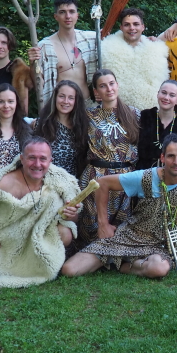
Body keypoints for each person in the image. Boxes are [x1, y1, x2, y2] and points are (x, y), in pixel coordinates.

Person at [62, 134, 177, 279]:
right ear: (163, 157)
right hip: (127, 237)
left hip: (159, 247)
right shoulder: (146, 177)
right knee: (69, 270)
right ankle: (122, 262)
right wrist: (103, 224)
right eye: (171, 156)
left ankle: (119, 265)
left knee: (159, 269)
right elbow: (103, 183)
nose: (176, 162)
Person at [0, 137, 81, 290]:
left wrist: (71, 214)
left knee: (66, 233)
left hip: (36, 241)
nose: (37, 164)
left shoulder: (60, 182)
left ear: (50, 161)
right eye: (31, 158)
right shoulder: (3, 182)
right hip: (5, 242)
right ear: (22, 159)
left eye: (43, 159)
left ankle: (37, 263)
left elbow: (73, 219)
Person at [76, 69, 140, 244]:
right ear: (96, 91)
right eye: (103, 86)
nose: (109, 89)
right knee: (93, 231)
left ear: (117, 85)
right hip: (96, 177)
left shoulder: (135, 114)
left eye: (111, 84)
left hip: (125, 178)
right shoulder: (88, 116)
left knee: (121, 231)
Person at [27, 0, 98, 105]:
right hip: (61, 108)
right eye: (62, 12)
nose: (68, 16)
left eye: (71, 11)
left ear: (77, 15)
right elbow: (38, 85)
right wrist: (32, 64)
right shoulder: (45, 46)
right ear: (56, 16)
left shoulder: (90, 39)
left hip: (87, 106)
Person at [101, 7, 170, 112]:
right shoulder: (106, 49)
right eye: (127, 24)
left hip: (151, 113)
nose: (131, 28)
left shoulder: (157, 50)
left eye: (136, 24)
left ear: (143, 27)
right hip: (117, 112)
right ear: (121, 27)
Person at [34, 80, 89, 178]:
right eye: (62, 96)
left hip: (71, 183)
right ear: (55, 97)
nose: (65, 101)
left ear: (76, 101)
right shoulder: (41, 124)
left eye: (71, 98)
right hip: (45, 182)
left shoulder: (81, 128)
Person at [137, 80, 177, 170]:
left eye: (172, 95)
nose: (166, 97)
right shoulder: (144, 116)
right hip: (143, 173)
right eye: (163, 93)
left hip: (173, 173)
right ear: (158, 94)